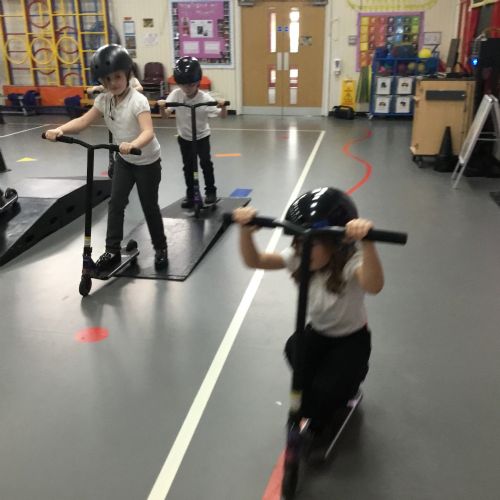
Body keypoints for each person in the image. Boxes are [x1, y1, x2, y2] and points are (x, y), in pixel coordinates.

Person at [232, 187, 384, 455]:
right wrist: (245, 231)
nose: (303, 249)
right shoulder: (300, 258)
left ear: (336, 242)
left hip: (350, 340)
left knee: (326, 391)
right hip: (319, 333)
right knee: (295, 349)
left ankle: (342, 392)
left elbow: (374, 285)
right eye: (300, 242)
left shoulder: (351, 262)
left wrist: (368, 242)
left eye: (313, 243)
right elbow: (255, 260)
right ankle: (321, 397)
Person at [45, 44, 168, 270]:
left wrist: (133, 144)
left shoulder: (137, 100)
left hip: (147, 162)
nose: (113, 83)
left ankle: (161, 247)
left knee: (149, 206)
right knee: (116, 203)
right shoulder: (104, 100)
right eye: (107, 79)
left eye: (117, 77)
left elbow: (148, 132)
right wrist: (60, 129)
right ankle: (112, 250)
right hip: (125, 161)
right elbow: (83, 121)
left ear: (127, 74)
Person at [158, 56, 227, 208]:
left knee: (206, 164)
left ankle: (211, 192)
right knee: (188, 167)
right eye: (183, 85)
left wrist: (223, 107)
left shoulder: (204, 97)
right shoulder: (176, 95)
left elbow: (222, 116)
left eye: (191, 84)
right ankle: (191, 195)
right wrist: (163, 107)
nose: (187, 88)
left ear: (197, 82)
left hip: (202, 137)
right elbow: (166, 115)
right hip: (184, 138)